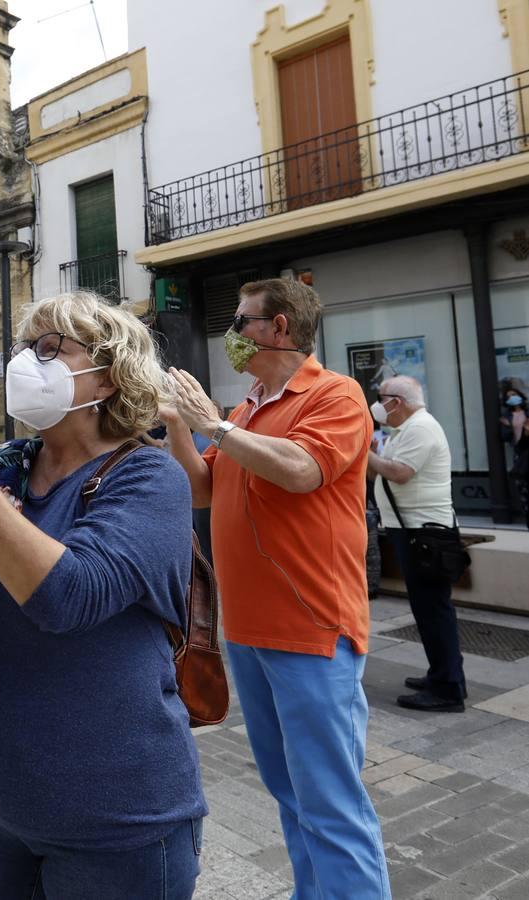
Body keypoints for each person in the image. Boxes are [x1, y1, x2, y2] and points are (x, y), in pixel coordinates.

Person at [0, 292, 205, 898]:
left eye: (48, 350)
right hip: (0, 812)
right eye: (23, 349)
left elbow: (67, 597)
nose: (24, 364)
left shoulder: (148, 477)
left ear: (109, 377)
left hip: (119, 825)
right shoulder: (6, 471)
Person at [164, 278, 389, 898]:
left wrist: (213, 424)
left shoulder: (335, 394)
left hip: (312, 629)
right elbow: (202, 491)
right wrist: (181, 425)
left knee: (330, 802)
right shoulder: (249, 407)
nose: (233, 334)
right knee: (291, 793)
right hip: (250, 630)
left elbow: (301, 470)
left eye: (242, 323)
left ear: (280, 328)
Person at [367, 376, 466, 712]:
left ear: (397, 401)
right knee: (428, 609)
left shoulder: (421, 428)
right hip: (412, 530)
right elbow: (383, 471)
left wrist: (362, 453)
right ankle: (443, 674)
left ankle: (447, 688)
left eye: (381, 398)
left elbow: (399, 472)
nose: (377, 405)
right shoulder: (405, 429)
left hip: (426, 533)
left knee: (434, 610)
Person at [501, 384, 528, 524]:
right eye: (509, 396)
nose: (512, 398)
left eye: (514, 395)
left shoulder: (527, 412)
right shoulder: (507, 417)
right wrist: (510, 427)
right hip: (519, 452)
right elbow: (505, 436)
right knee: (522, 484)